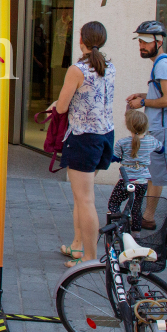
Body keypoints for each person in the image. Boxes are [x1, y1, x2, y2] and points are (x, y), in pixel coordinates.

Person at [53, 21, 115, 268]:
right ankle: (78, 245)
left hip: (83, 139)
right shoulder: (109, 66)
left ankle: (90, 257)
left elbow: (62, 107)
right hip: (104, 136)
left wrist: (56, 104)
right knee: (81, 197)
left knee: (85, 198)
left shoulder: (77, 70)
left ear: (82, 40)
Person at [126, 21, 167, 230]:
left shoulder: (162, 64)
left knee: (156, 175)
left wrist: (142, 102)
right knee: (154, 174)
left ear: (158, 42)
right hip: (158, 128)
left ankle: (149, 217)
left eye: (145, 42)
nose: (141, 45)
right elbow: (160, 95)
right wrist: (143, 95)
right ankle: (148, 216)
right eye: (139, 41)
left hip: (161, 130)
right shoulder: (159, 63)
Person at [106, 110, 163, 235]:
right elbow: (161, 149)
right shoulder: (151, 141)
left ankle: (118, 227)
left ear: (128, 126)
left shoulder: (122, 142)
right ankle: (136, 233)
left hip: (126, 181)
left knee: (114, 203)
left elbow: (115, 158)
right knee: (137, 207)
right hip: (142, 182)